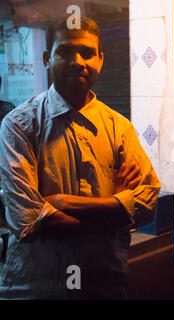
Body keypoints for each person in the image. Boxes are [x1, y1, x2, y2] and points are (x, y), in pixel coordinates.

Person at [0, 16, 161, 299]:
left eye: (87, 53)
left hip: (106, 286)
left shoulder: (119, 128)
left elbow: (148, 204)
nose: (78, 61)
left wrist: (60, 203)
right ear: (47, 58)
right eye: (65, 51)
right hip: (36, 289)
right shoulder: (20, 125)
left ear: (100, 59)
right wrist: (117, 208)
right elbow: (29, 220)